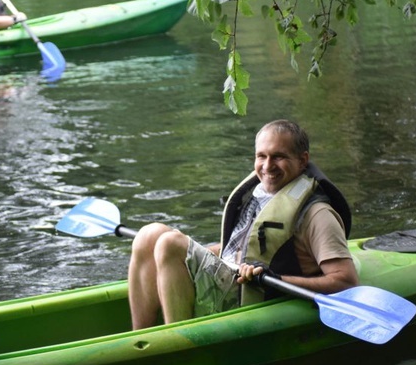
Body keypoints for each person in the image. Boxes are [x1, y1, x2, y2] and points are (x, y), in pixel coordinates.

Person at [128, 119, 359, 330]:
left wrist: (277, 280)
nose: (267, 166)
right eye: (262, 156)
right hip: (233, 280)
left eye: (279, 156)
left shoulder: (318, 214)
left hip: (253, 298)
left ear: (302, 160)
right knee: (150, 234)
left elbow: (346, 281)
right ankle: (139, 335)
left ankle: (176, 341)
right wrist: (193, 254)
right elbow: (246, 245)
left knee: (169, 243)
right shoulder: (260, 195)